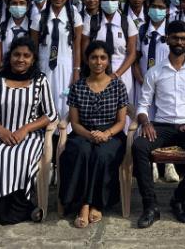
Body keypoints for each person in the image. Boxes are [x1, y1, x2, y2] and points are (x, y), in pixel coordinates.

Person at [132, 20, 185, 228]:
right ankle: (150, 206)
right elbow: (142, 105)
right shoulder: (155, 71)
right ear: (167, 39)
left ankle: (178, 199)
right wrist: (146, 122)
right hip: (162, 126)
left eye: (183, 39)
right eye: (175, 38)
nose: (179, 42)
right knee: (139, 146)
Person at [0, 36, 57, 225]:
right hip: (0, 133)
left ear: (33, 59)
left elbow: (51, 114)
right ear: (9, 57)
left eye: (26, 56)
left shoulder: (40, 81)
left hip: (30, 136)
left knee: (20, 156)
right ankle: (23, 209)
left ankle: (11, 211)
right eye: (16, 54)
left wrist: (25, 129)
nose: (21, 59)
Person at [59, 41, 128, 228]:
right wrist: (90, 135)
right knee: (82, 151)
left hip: (112, 133)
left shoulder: (118, 86)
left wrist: (106, 134)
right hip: (83, 132)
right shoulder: (78, 87)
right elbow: (74, 122)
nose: (98, 62)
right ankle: (84, 204)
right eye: (94, 57)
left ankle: (97, 204)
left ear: (108, 61)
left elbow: (121, 122)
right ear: (87, 60)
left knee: (102, 154)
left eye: (103, 58)